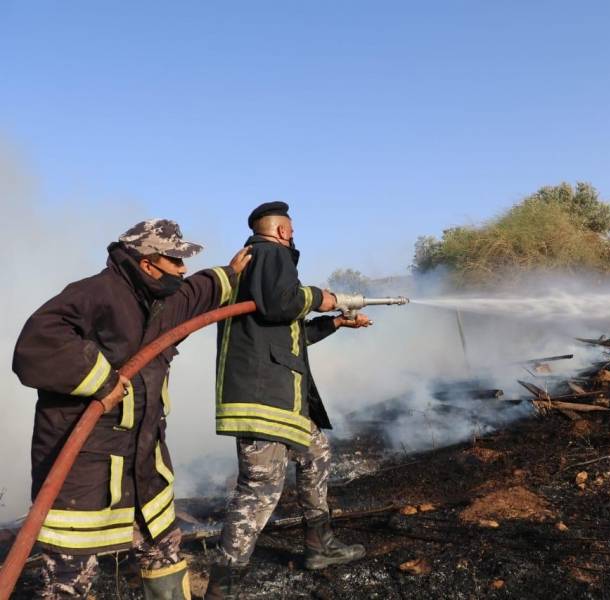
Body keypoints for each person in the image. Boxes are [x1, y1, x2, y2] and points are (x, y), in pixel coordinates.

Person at [13, 219, 252, 599]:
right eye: (176, 261)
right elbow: (37, 345)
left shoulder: (159, 300)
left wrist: (229, 275)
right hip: (84, 466)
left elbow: (194, 295)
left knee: (164, 551)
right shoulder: (96, 294)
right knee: (69, 577)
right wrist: (102, 382)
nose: (183, 269)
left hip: (143, 462)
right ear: (147, 263)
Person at [206, 202, 370, 598]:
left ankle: (320, 546)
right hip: (263, 400)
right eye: (292, 231)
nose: (293, 237)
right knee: (259, 489)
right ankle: (223, 587)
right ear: (281, 231)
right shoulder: (271, 255)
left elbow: (289, 336)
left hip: (278, 395)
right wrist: (323, 297)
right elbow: (284, 304)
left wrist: (334, 322)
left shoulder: (256, 270)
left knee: (316, 453)